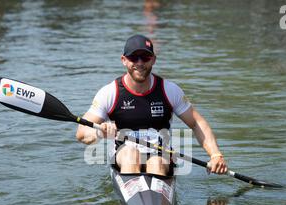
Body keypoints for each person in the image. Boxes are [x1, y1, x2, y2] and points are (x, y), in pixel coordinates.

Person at [76, 34, 227, 176]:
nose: (140, 63)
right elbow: (82, 133)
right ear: (124, 60)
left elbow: (196, 123)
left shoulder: (169, 90)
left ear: (153, 59)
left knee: (156, 162)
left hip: (160, 155)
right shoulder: (110, 93)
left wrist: (215, 155)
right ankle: (137, 199)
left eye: (145, 57)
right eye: (134, 58)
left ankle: (154, 199)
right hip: (124, 155)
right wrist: (99, 133)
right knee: (131, 154)